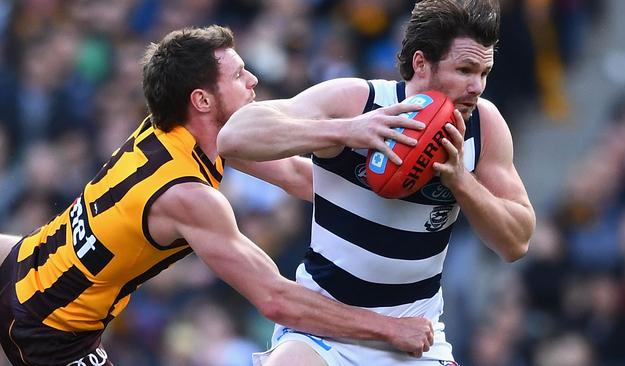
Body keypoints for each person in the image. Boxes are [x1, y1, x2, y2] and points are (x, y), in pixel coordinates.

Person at [0, 25, 436, 366]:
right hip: (50, 334)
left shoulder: (172, 130)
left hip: (18, 261)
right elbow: (277, 299)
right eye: (238, 74)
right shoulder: (189, 197)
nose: (254, 79)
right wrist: (389, 329)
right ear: (203, 100)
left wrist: (410, 198)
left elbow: (295, 174)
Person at [217, 0, 536, 365]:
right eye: (465, 70)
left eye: (484, 72)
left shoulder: (483, 125)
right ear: (421, 63)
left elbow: (518, 241)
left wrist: (462, 181)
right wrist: (347, 129)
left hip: (417, 336)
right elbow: (234, 136)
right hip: (324, 332)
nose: (476, 87)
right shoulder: (360, 101)